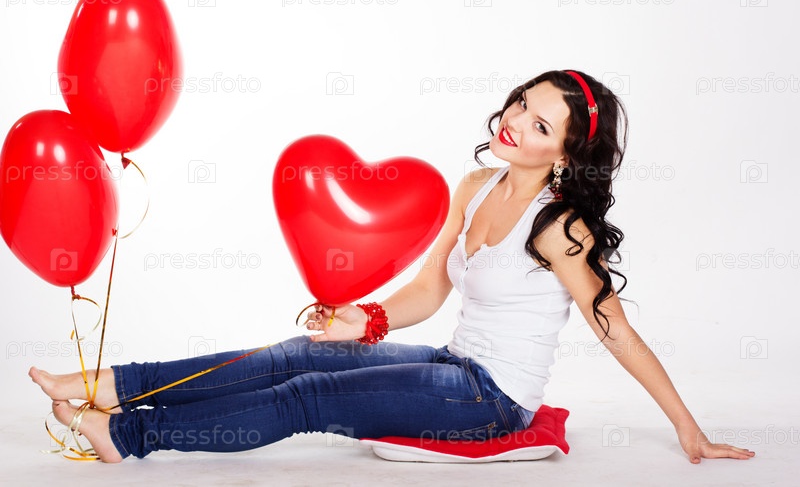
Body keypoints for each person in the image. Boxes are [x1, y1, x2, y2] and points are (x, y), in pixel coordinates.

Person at [30, 70, 755, 464]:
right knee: (297, 351)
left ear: (563, 154)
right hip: (452, 363)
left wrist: (688, 429)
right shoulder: (476, 187)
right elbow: (432, 288)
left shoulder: (560, 227)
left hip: (489, 400)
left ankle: (128, 435)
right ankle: (110, 385)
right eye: (521, 103)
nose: (515, 121)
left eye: (540, 124)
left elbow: (615, 331)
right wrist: (366, 319)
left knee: (309, 394)